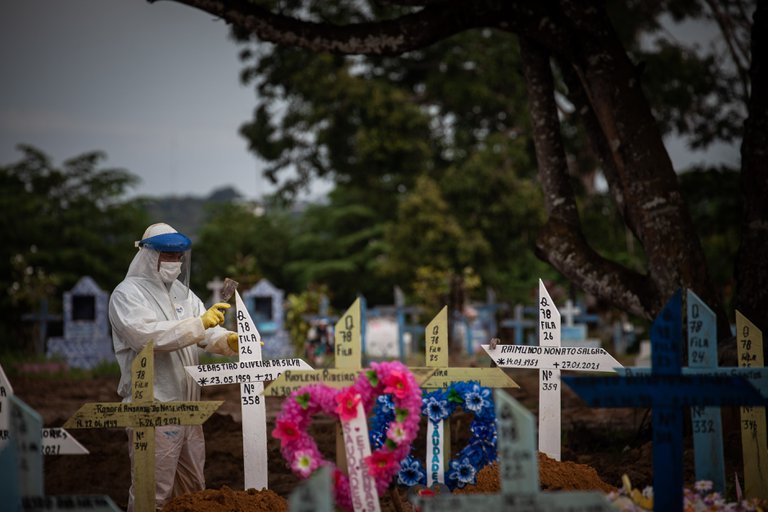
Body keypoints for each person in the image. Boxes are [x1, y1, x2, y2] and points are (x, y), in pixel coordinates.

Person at [109, 222, 239, 511]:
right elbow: (146, 335)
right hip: (154, 408)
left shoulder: (182, 292)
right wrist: (199, 323)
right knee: (151, 493)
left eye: (178, 256)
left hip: (188, 408)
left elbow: (204, 331)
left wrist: (228, 340)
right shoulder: (127, 294)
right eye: (167, 255)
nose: (174, 262)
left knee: (193, 491)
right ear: (146, 255)